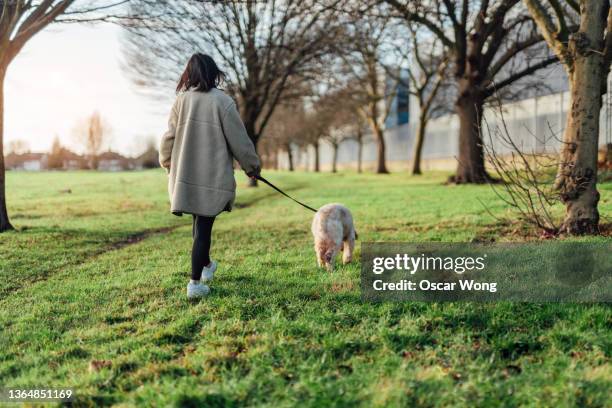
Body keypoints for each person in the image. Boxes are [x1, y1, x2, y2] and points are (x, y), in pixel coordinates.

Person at [159, 53, 260, 299]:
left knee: (199, 226)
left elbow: (168, 138)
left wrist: (166, 161)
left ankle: (206, 267)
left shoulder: (180, 101)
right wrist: (251, 166)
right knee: (203, 229)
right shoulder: (222, 102)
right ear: (213, 73)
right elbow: (239, 140)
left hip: (185, 176)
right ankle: (195, 283)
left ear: (189, 75)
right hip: (212, 177)